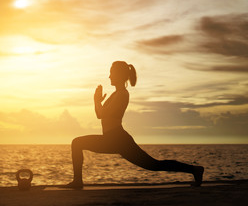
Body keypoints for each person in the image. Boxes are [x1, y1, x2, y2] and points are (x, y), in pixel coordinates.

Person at [65, 61, 204, 189]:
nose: (109, 76)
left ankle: (195, 170)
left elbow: (102, 114)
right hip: (112, 138)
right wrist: (97, 101)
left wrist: (96, 101)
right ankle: (195, 170)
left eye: (111, 73)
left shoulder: (122, 94)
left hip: (117, 138)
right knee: (153, 165)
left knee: (154, 165)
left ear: (119, 75)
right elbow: (99, 115)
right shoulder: (116, 94)